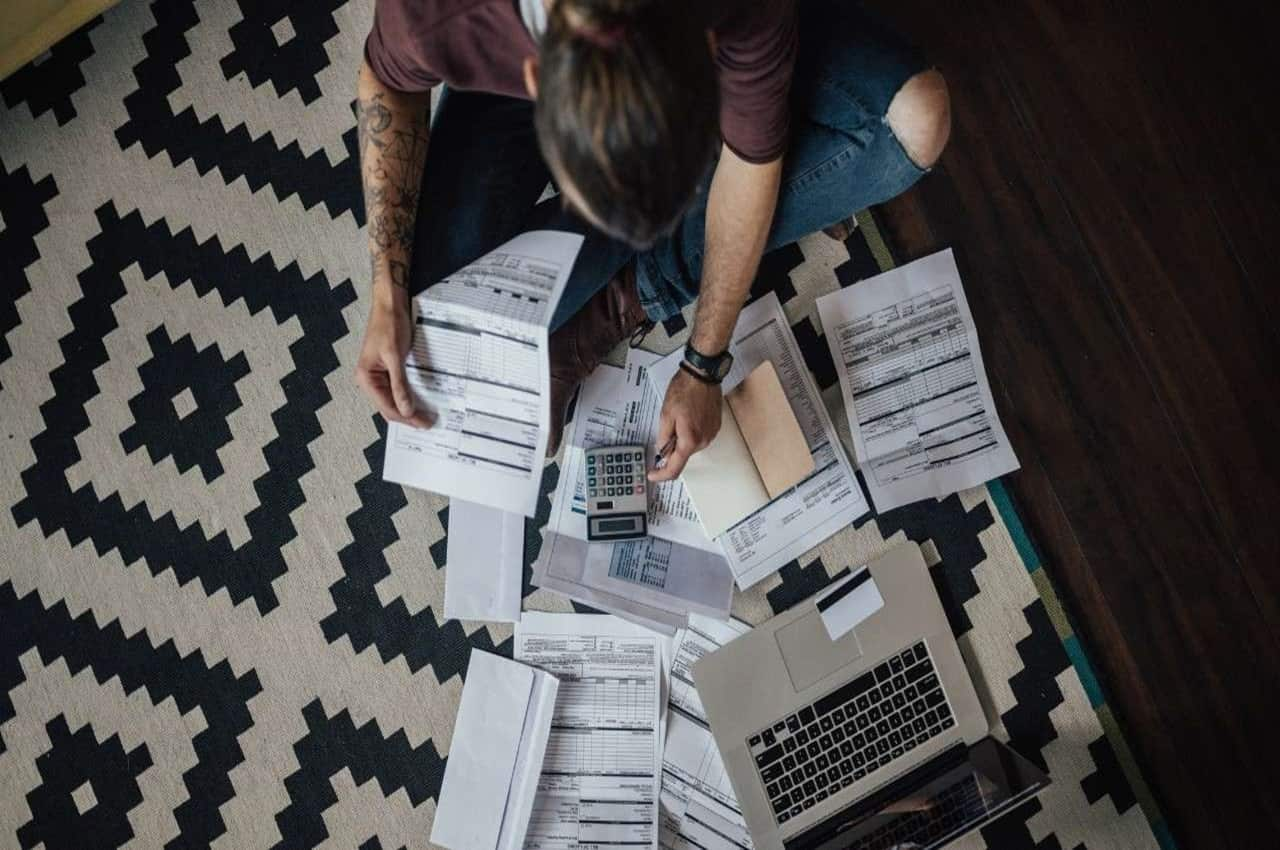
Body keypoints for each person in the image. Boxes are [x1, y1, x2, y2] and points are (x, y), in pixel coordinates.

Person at [353, 0, 950, 483]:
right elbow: (386, 82)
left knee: (914, 122)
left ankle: (629, 292)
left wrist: (704, 362)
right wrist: (387, 290)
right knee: (434, 324)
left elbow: (752, 164)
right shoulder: (436, 14)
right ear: (537, 80)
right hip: (508, 68)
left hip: (744, 30)